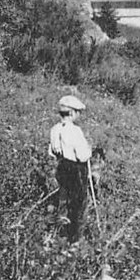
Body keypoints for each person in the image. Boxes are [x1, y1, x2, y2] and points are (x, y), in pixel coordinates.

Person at [49, 94, 93, 242]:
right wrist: (89, 151)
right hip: (75, 169)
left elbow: (51, 152)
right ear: (72, 113)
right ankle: (74, 237)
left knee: (63, 198)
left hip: (61, 167)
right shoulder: (75, 131)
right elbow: (82, 155)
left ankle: (59, 231)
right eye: (78, 113)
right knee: (78, 203)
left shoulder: (54, 129)